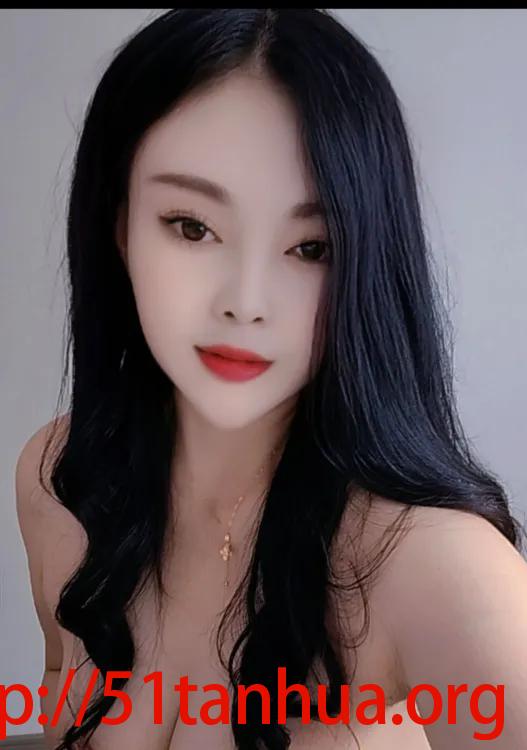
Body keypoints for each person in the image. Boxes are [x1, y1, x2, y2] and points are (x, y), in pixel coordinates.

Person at [15, 9, 527, 750]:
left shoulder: (432, 566)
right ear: (118, 225)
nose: (246, 303)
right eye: (192, 227)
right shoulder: (57, 479)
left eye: (311, 247)